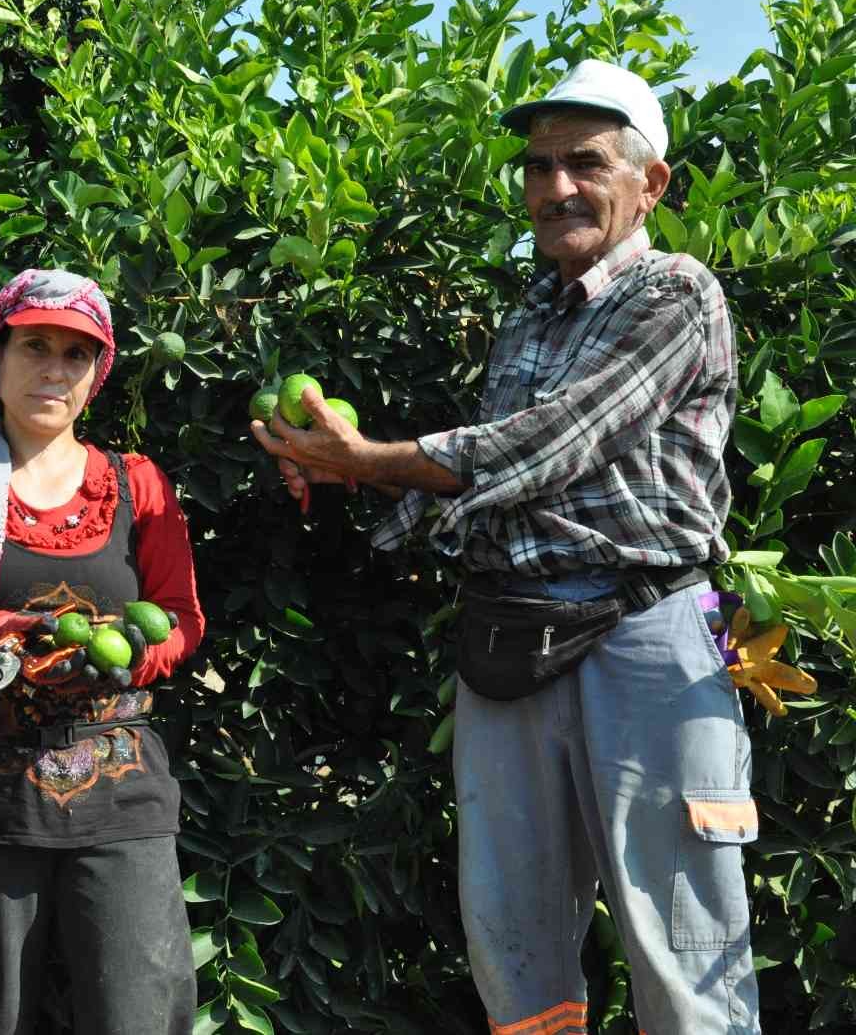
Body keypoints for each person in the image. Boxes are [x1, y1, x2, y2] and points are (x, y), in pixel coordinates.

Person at [252, 60, 800, 1034]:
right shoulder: (527, 318)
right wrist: (346, 471)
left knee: (684, 946)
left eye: (582, 163)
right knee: (514, 944)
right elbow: (499, 489)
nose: (554, 188)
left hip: (648, 629)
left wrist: (377, 460)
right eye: (539, 167)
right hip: (507, 638)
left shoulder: (678, 293)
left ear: (650, 183)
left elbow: (555, 440)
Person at [0, 268, 206, 1035]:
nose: (53, 369)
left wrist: (130, 654)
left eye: (75, 354)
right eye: (35, 346)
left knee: (138, 1007)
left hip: (122, 788)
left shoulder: (137, 484)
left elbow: (183, 618)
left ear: (96, 374)